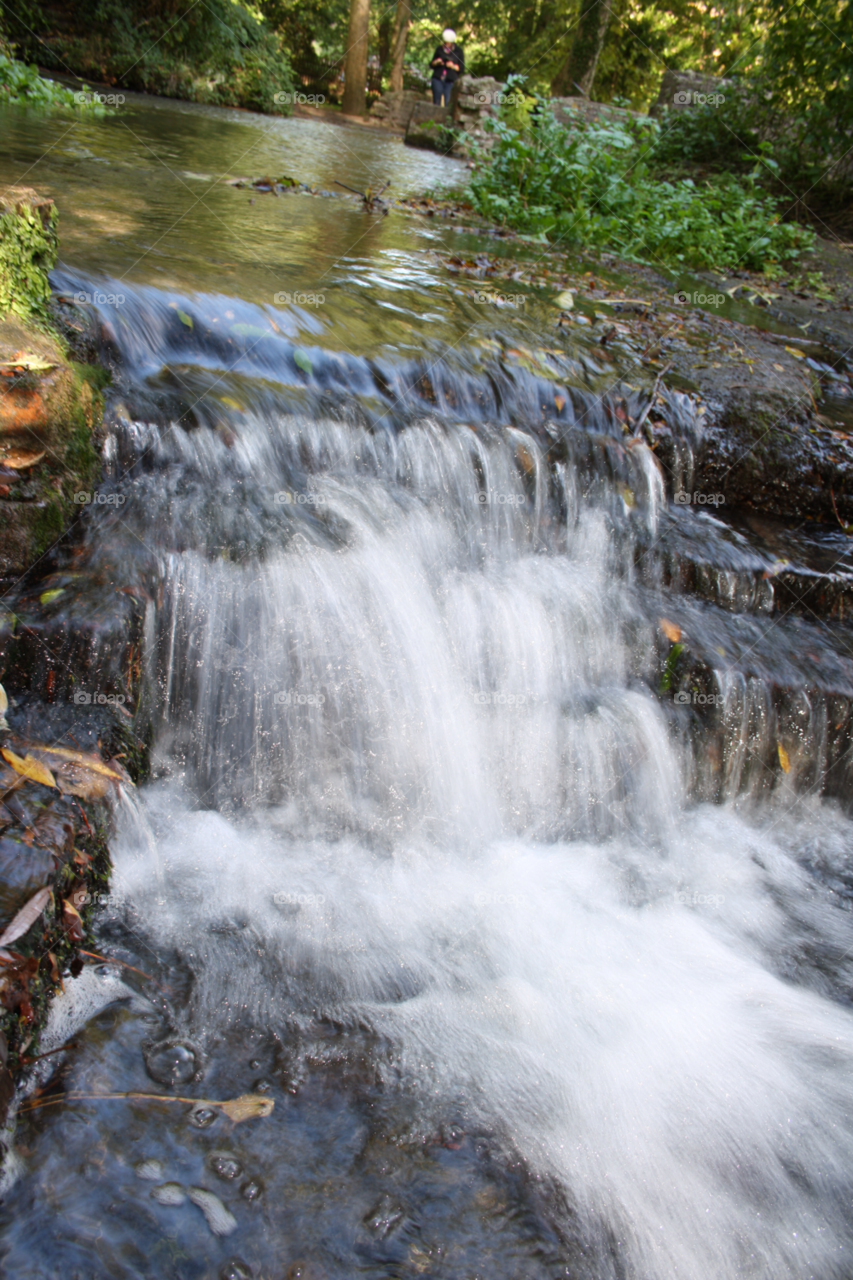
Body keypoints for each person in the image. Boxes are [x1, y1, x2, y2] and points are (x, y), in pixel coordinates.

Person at [430, 29, 464, 107]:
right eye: (445, 43)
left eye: (448, 43)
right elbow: (431, 65)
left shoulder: (458, 51)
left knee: (448, 102)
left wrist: (453, 66)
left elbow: (461, 68)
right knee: (436, 101)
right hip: (438, 78)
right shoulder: (439, 49)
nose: (446, 44)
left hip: (451, 81)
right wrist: (437, 62)